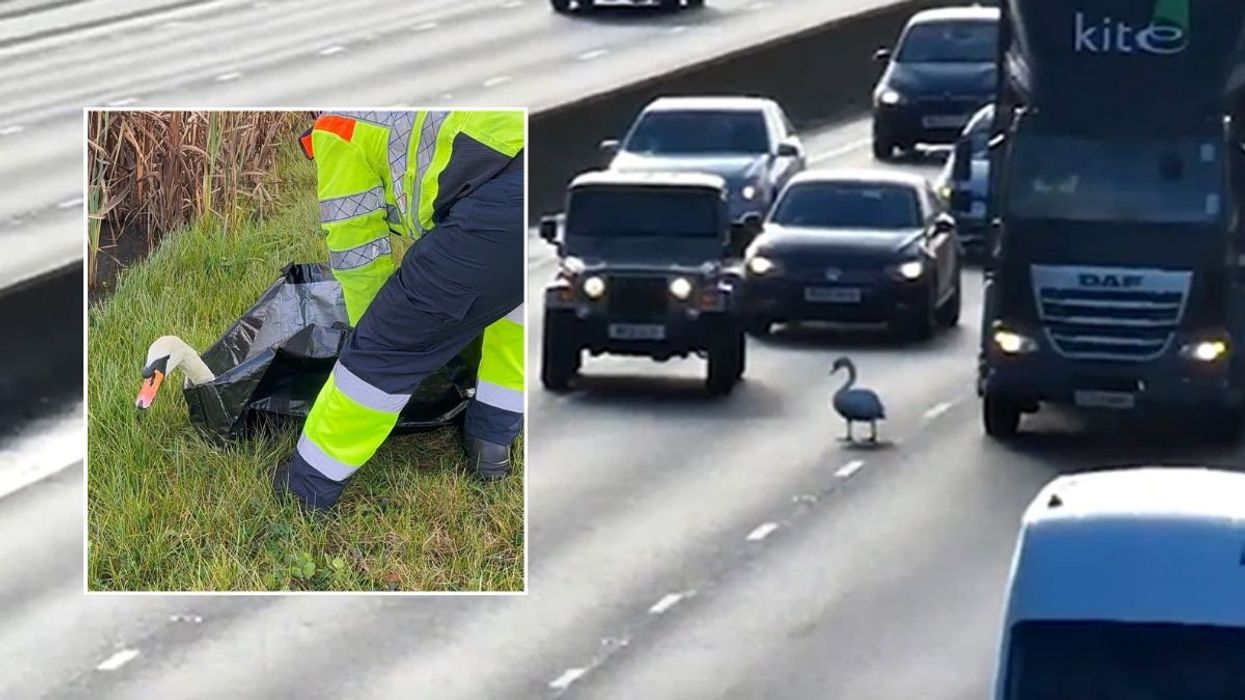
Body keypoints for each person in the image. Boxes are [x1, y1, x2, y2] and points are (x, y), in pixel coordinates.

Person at [273, 110, 525, 512]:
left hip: (502, 207)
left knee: (386, 348)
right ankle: (491, 442)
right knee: (515, 309)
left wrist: (368, 334)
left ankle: (304, 490)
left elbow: (358, 257)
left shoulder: (339, 127)